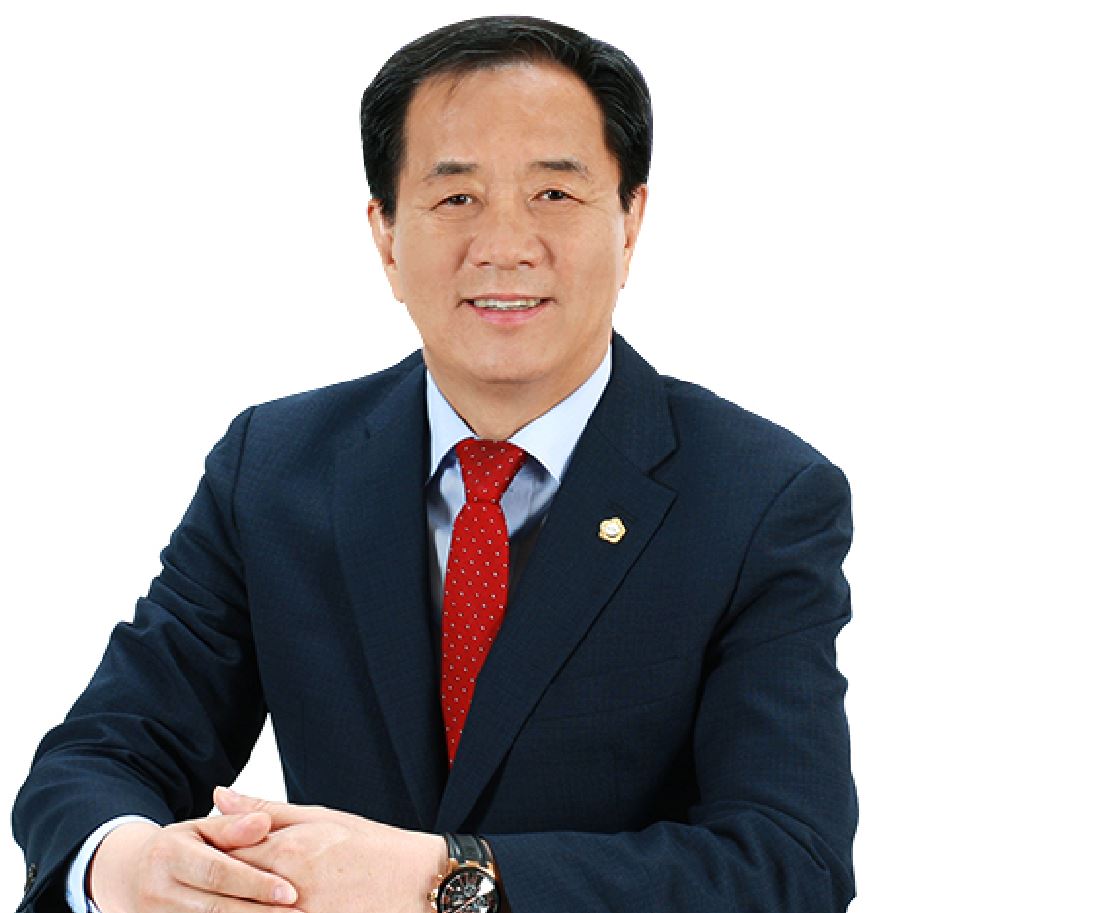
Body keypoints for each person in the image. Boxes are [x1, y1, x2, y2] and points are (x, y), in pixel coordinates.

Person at [13, 15, 857, 913]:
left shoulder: (758, 498)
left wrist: (443, 879)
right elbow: (105, 751)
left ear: (630, 222)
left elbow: (787, 862)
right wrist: (129, 865)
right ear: (385, 236)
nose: (504, 244)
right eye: (455, 198)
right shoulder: (274, 468)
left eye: (554, 194)